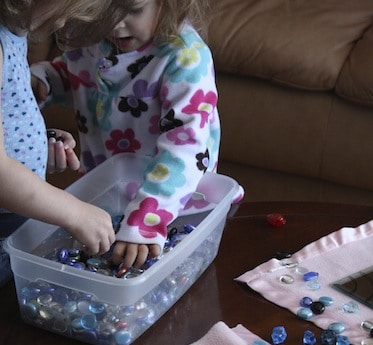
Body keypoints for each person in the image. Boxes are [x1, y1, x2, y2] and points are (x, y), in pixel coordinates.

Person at [31, 0, 229, 273]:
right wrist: (45, 81)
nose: (114, 23)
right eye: (102, 10)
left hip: (172, 206)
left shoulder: (186, 59)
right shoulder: (93, 37)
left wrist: (147, 221)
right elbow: (75, 74)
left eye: (132, 9)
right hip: (105, 197)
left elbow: (185, 147)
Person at [0, 1, 131, 286]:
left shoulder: (12, 33)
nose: (63, 23)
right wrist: (74, 212)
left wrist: (32, 146)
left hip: (13, 220)